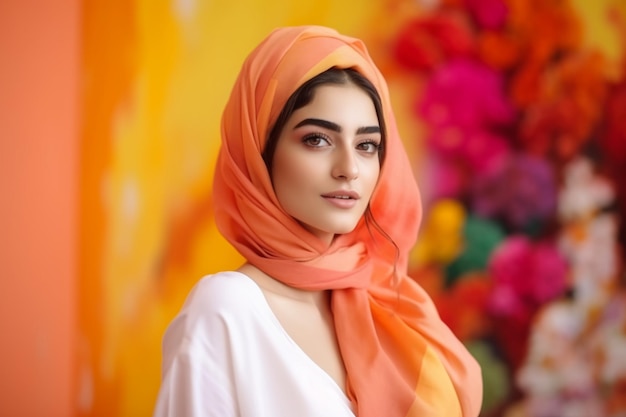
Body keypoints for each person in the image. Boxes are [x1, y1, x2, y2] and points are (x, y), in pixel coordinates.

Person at [153, 25, 482, 417]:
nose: (349, 169)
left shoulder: (389, 306)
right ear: (259, 150)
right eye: (317, 140)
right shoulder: (227, 309)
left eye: (367, 145)